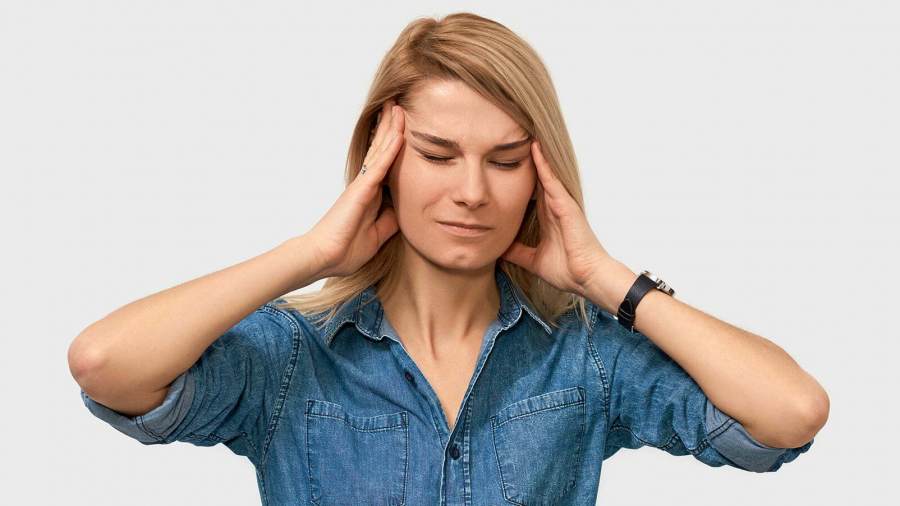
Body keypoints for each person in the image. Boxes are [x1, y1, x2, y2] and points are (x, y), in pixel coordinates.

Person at [69, 12, 827, 506]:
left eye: (504, 160)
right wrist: (310, 255)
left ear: (539, 176)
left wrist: (608, 281)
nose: (472, 192)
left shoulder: (587, 358)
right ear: (384, 156)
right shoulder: (293, 357)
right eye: (438, 153)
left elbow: (790, 415)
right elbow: (105, 363)